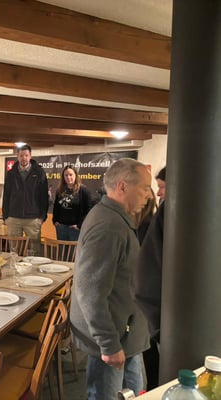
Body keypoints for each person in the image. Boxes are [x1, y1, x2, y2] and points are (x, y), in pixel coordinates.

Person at [70, 158, 153, 399]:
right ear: (123, 186)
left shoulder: (115, 219)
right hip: (113, 340)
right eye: (144, 188)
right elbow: (90, 291)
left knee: (136, 392)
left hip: (124, 335)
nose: (148, 195)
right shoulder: (108, 226)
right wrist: (108, 343)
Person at [133, 166, 167, 390]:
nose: (158, 192)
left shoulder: (148, 223)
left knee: (149, 348)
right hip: (155, 300)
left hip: (153, 301)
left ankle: (154, 386)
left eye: (162, 187)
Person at [2, 144, 49, 255]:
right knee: (14, 250)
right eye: (21, 156)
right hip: (13, 217)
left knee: (34, 251)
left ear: (30, 156)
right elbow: (6, 195)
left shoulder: (39, 172)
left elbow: (44, 195)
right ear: (17, 157)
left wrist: (42, 216)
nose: (24, 158)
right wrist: (5, 216)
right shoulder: (11, 174)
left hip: (33, 218)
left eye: (26, 155)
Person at [52, 165, 92, 241]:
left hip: (75, 229)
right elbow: (56, 207)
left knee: (75, 249)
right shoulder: (59, 190)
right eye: (66, 175)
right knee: (62, 249)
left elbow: (88, 210)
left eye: (71, 174)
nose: (68, 177)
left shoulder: (84, 191)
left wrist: (79, 225)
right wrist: (55, 221)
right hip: (61, 228)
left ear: (75, 175)